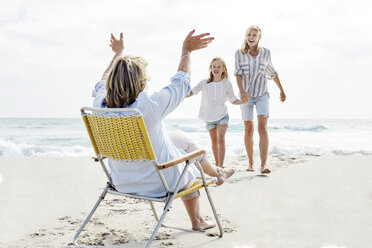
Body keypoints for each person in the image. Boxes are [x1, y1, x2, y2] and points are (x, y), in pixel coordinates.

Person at [91, 30, 234, 231]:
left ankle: (218, 172)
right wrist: (186, 51)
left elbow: (101, 81)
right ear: (139, 81)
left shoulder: (99, 103)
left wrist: (118, 53)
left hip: (120, 180)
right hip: (156, 184)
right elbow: (182, 82)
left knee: (180, 139)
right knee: (188, 160)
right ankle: (198, 220)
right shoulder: (149, 106)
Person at [234, 25, 286, 174]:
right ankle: (251, 163)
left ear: (259, 37)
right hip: (246, 96)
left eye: (254, 35)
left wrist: (281, 90)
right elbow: (238, 74)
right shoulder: (239, 53)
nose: (251, 37)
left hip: (262, 94)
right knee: (249, 130)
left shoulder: (266, 53)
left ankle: (263, 165)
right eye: (249, 35)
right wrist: (242, 92)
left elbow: (272, 72)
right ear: (246, 36)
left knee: (262, 128)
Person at [187, 57, 248, 168]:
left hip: (222, 116)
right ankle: (217, 163)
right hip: (209, 117)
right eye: (214, 66)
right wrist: (184, 94)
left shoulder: (227, 83)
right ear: (211, 68)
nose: (216, 68)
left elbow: (233, 99)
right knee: (214, 141)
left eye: (219, 67)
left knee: (220, 138)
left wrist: (242, 101)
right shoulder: (204, 83)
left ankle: (221, 165)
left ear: (223, 69)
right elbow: (193, 91)